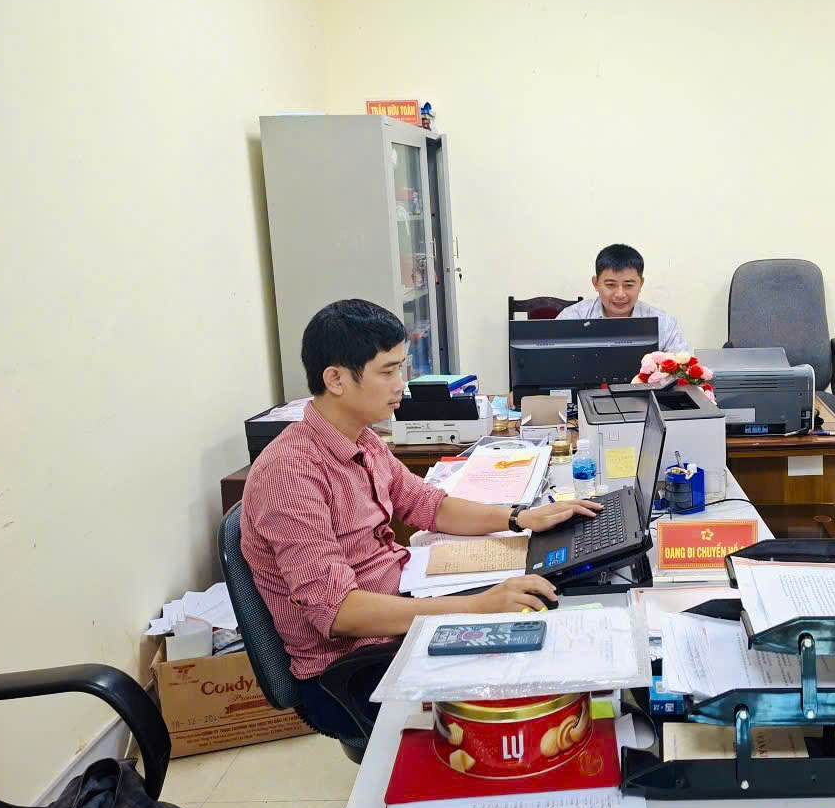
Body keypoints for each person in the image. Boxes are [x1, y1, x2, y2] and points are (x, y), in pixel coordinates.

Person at [241, 299, 602, 738]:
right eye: (388, 371)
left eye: (402, 368)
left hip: (403, 609)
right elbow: (338, 612)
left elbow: (429, 505)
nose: (401, 385)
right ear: (335, 379)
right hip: (355, 668)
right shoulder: (290, 474)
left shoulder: (363, 439)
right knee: (535, 666)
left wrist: (520, 518)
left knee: (553, 606)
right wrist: (475, 607)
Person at [557, 243, 688, 352]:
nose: (620, 294)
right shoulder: (572, 317)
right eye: (611, 285)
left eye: (628, 285)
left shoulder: (664, 323)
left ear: (641, 284)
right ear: (596, 283)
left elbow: (685, 369)